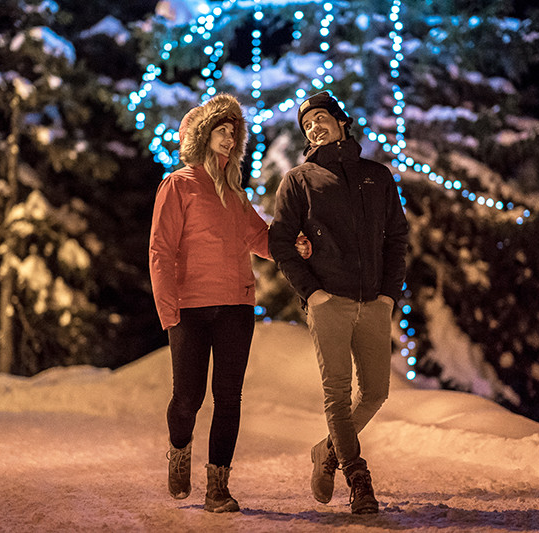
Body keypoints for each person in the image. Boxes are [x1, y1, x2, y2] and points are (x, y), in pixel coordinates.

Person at [149, 94, 310, 513]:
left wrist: (294, 245)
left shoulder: (236, 195)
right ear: (203, 136)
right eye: (221, 129)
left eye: (233, 131)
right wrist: (169, 310)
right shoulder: (178, 185)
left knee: (229, 398)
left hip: (236, 308)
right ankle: (179, 448)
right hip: (190, 309)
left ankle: (218, 486)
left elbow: (261, 238)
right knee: (188, 398)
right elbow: (161, 250)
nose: (228, 136)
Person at [268, 91, 409, 514]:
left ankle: (326, 451)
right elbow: (280, 243)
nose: (314, 126)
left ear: (340, 121)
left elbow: (397, 238)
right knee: (337, 394)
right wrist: (313, 293)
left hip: (374, 302)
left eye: (321, 118)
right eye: (307, 123)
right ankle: (357, 476)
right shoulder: (299, 180)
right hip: (329, 303)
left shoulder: (377, 175)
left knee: (376, 393)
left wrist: (388, 295)